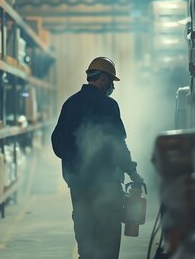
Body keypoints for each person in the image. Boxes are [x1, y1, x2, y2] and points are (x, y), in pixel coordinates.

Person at [52, 56, 144, 259]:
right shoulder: (108, 106)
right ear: (103, 79)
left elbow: (57, 143)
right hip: (106, 186)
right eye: (111, 82)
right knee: (107, 242)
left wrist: (74, 165)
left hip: (79, 186)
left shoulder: (70, 104)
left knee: (85, 241)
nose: (112, 87)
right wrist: (132, 172)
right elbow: (118, 145)